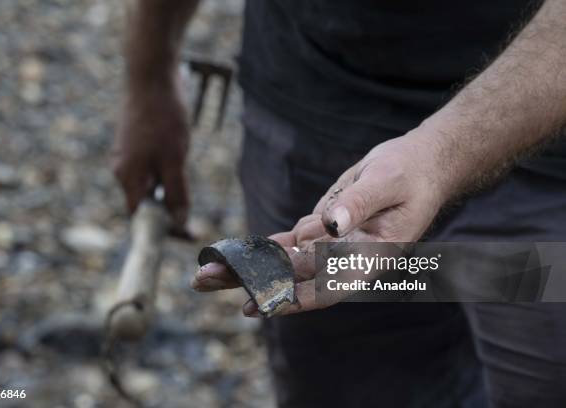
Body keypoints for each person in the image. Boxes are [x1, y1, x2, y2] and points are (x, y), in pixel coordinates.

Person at [112, 1, 566, 407]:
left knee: (537, 375)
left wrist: (441, 156)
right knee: (339, 375)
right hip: (314, 100)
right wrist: (149, 74)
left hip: (543, 164)